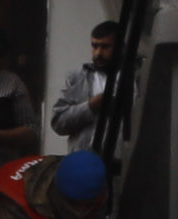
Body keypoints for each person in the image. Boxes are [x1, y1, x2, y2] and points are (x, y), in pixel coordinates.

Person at [49, 20, 123, 149]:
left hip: (124, 162)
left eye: (105, 47)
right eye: (95, 46)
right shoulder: (77, 78)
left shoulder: (136, 77)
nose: (98, 53)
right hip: (85, 161)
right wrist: (90, 106)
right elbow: (58, 123)